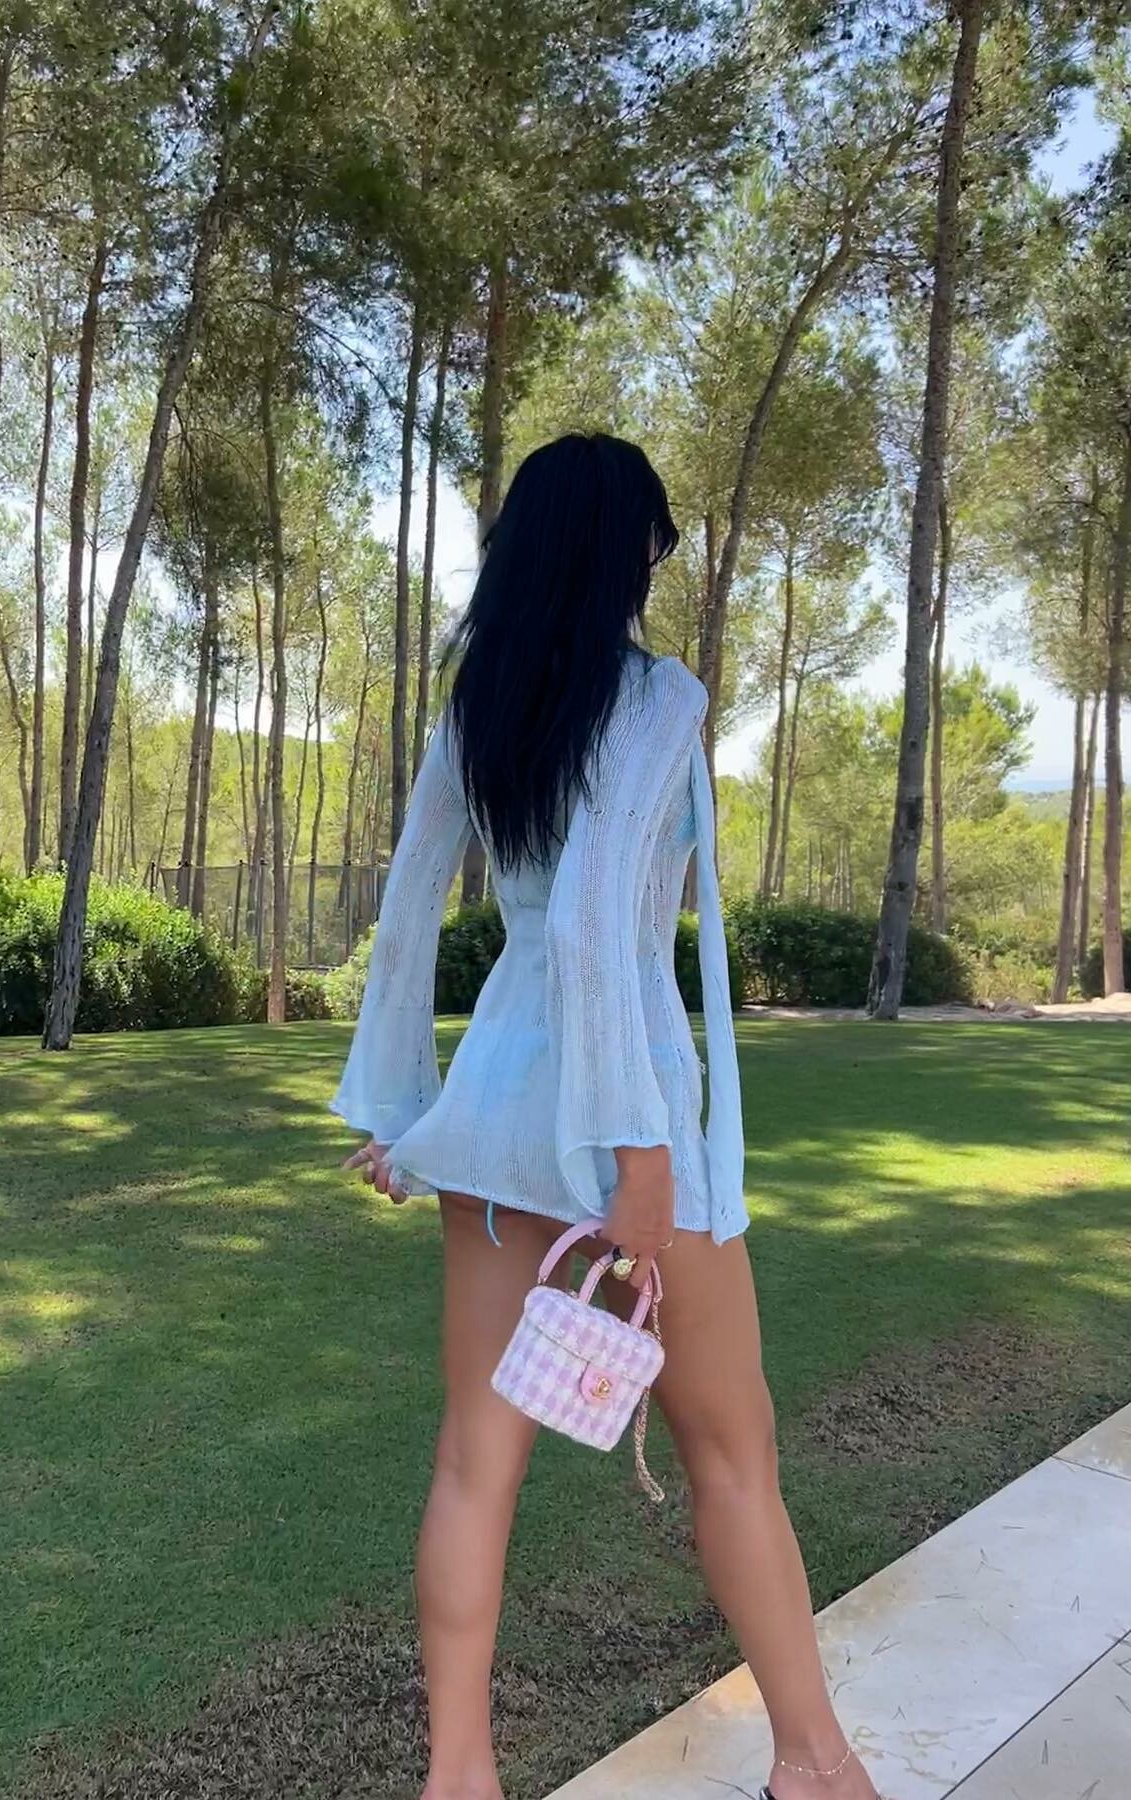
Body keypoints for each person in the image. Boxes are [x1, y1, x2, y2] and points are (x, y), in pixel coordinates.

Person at [330, 433, 879, 1800]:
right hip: (626, 1116)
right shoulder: (656, 698)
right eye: (655, 541)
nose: (657, 563)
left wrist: (400, 1111)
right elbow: (591, 930)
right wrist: (640, 1161)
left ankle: (459, 1780)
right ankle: (814, 1769)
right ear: (621, 548)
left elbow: (408, 905)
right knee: (733, 1452)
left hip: (497, 1117)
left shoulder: (481, 705)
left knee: (476, 1464)